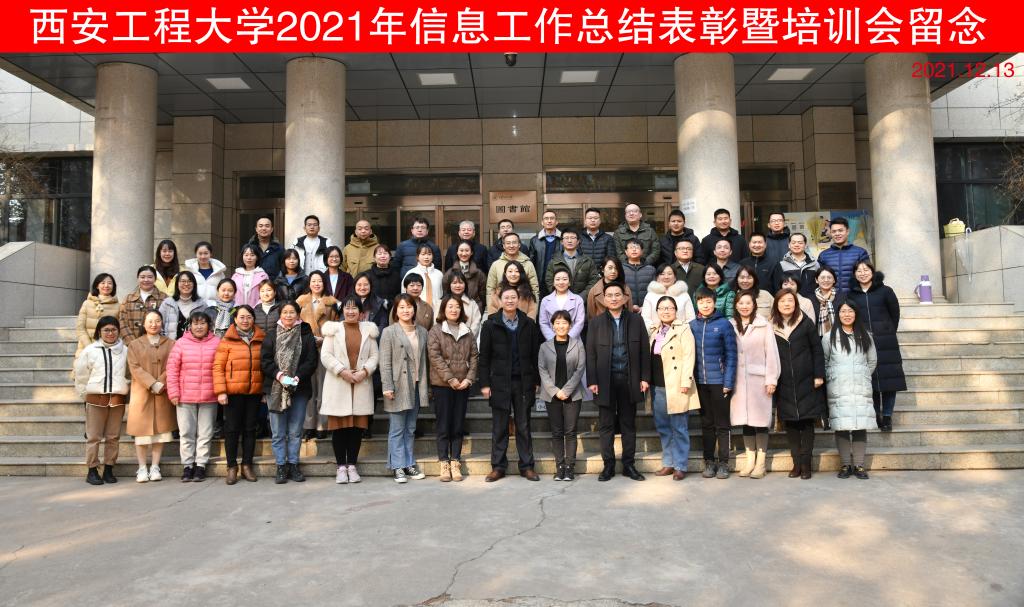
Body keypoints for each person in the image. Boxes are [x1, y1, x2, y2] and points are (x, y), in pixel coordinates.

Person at [586, 281, 651, 481]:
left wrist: (644, 377)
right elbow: (591, 353)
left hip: (630, 379)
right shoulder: (596, 323)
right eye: (609, 295)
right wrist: (592, 380)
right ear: (604, 299)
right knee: (606, 425)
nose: (613, 298)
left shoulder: (636, 320)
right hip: (605, 380)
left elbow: (644, 350)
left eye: (617, 295)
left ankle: (629, 465)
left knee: (628, 424)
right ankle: (608, 466)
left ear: (624, 298)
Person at [479, 286, 543, 482]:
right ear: (499, 300)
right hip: (499, 383)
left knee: (523, 426)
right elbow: (484, 357)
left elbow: (535, 355)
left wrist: (536, 380)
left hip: (523, 382)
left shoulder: (528, 324)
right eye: (506, 297)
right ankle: (498, 467)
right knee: (500, 427)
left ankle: (527, 466)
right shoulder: (490, 324)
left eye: (513, 297)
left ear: (518, 300)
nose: (509, 300)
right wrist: (485, 384)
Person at [321, 296, 380, 484]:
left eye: (355, 308)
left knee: (356, 429)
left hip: (360, 383)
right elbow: (325, 355)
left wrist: (364, 372)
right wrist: (342, 371)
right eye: (347, 308)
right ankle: (341, 467)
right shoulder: (333, 330)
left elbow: (374, 356)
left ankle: (352, 465)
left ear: (361, 312)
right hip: (339, 383)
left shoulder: (369, 330)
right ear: (342, 311)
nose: (351, 311)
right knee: (339, 429)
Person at [845, 261, 907, 432]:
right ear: (854, 274)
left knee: (889, 382)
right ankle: (875, 414)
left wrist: (887, 330)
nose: (863, 273)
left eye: (866, 270)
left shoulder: (886, 291)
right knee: (869, 380)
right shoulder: (851, 294)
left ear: (872, 272)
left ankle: (887, 416)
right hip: (863, 341)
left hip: (886, 341)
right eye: (859, 270)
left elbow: (895, 314)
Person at [771, 290, 826, 480]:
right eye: (782, 301)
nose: (786, 304)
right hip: (783, 382)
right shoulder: (771, 327)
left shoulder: (805, 323)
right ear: (776, 304)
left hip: (807, 380)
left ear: (795, 303)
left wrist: (819, 375)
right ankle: (796, 463)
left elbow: (817, 350)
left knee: (807, 423)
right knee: (791, 425)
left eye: (790, 300)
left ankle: (806, 464)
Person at [261, 301, 318, 484]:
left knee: (295, 430)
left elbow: (311, 360)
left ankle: (293, 464)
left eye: (292, 312)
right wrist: (279, 376)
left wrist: (297, 377)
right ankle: (280, 465)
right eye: (285, 312)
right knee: (278, 431)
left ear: (298, 314)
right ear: (280, 314)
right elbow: (265, 361)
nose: (288, 315)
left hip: (299, 388)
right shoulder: (271, 335)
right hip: (276, 388)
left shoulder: (305, 333)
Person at [823, 301, 878, 480]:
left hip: (860, 387)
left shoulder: (866, 336)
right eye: (843, 311)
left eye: (850, 311)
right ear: (838, 315)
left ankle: (859, 465)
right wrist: (834, 377)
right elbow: (824, 361)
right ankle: (846, 464)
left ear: (856, 313)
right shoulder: (829, 337)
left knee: (860, 426)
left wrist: (862, 376)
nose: (847, 315)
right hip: (838, 388)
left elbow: (872, 361)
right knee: (842, 427)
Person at [730, 290, 781, 479]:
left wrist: (771, 379)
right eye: (741, 303)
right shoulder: (731, 325)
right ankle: (749, 461)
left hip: (758, 380)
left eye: (748, 303)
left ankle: (761, 463)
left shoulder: (763, 325)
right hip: (738, 381)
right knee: (746, 422)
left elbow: (772, 353)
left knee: (760, 422)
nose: (744, 306)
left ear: (754, 305)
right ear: (736, 305)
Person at [427, 296, 479, 482]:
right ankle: (444, 462)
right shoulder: (436, 330)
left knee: (458, 425)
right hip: (442, 385)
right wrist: (450, 378)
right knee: (443, 425)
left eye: (457, 307)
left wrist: (469, 379)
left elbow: (474, 356)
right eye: (450, 306)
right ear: (443, 309)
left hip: (463, 385)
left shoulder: (467, 331)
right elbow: (435, 356)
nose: (454, 310)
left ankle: (455, 461)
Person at [379, 294, 430, 484]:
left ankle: (409, 463)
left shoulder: (422, 331)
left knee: (410, 428)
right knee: (397, 428)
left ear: (414, 310)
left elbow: (425, 361)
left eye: (409, 307)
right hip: (397, 385)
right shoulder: (389, 332)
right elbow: (384, 362)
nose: (406, 310)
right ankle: (398, 466)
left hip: (416, 385)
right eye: (401, 307)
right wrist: (387, 386)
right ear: (395, 310)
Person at [648, 296, 700, 481]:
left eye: (670, 308)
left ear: (676, 311)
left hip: (677, 385)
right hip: (657, 386)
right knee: (663, 427)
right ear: (657, 311)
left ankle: (680, 465)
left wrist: (686, 381)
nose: (666, 311)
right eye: (662, 308)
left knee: (679, 427)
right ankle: (668, 463)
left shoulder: (683, 329)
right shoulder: (654, 331)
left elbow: (689, 356)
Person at [166, 310, 221, 482]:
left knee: (205, 433)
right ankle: (188, 465)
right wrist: (173, 392)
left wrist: (220, 391)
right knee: (186, 432)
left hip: (209, 395)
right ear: (190, 326)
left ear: (209, 326)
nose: (199, 327)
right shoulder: (181, 343)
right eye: (195, 323)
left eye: (202, 323)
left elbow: (220, 368)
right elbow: (172, 370)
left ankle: (200, 465)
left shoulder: (217, 342)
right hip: (185, 396)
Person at [213, 305, 265, 485]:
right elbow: (218, 367)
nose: (245, 320)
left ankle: (247, 465)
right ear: (235, 319)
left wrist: (264, 390)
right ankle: (232, 467)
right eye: (241, 317)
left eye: (249, 317)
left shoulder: (261, 338)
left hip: (254, 392)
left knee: (250, 429)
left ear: (253, 319)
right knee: (232, 429)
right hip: (233, 392)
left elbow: (265, 366)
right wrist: (221, 391)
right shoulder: (227, 340)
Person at [73, 316, 128, 485]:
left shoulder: (125, 350)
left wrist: (126, 388)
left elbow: (130, 374)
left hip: (117, 398)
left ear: (118, 331)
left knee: (113, 436)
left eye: (114, 329)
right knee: (94, 436)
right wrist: (84, 395)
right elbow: (81, 376)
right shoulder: (90, 350)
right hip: (95, 398)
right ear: (99, 331)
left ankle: (109, 469)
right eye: (106, 330)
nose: (110, 333)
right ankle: (92, 470)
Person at [690, 287, 738, 479]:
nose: (705, 305)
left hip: (719, 382)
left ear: (714, 302)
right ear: (697, 303)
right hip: (700, 383)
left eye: (708, 301)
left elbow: (732, 355)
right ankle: (709, 461)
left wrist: (728, 382)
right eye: (701, 302)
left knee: (722, 424)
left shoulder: (724, 324)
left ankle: (724, 463)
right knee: (706, 424)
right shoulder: (692, 325)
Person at [126, 311, 175, 483]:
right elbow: (134, 367)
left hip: (162, 392)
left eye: (157, 321)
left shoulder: (171, 343)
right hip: (142, 392)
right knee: (141, 434)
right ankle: (141, 467)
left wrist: (161, 382)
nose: (154, 324)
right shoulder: (134, 344)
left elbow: (172, 365)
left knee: (160, 433)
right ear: (144, 323)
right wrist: (152, 383)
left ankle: (155, 466)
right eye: (150, 321)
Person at [538, 310, 586, 481]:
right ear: (552, 326)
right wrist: (555, 391)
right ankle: (559, 467)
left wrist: (566, 390)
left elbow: (580, 369)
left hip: (573, 395)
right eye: (557, 323)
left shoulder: (577, 345)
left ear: (570, 325)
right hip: (552, 396)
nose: (561, 326)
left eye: (564, 323)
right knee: (557, 432)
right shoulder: (544, 347)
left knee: (570, 432)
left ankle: (570, 467)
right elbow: (542, 370)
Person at [296, 270, 337, 436]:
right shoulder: (300, 302)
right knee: (308, 388)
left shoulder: (332, 303)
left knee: (323, 387)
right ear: (309, 283)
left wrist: (325, 339)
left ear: (324, 283)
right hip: (306, 350)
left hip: (325, 349)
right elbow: (295, 325)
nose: (316, 284)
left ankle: (322, 424)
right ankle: (309, 425)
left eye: (319, 281)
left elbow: (336, 326)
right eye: (313, 281)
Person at [817, 216, 870, 295]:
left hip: (855, 297)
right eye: (834, 231)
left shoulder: (860, 253)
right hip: (831, 297)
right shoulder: (823, 255)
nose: (837, 234)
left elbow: (868, 275)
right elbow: (819, 278)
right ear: (831, 233)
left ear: (847, 231)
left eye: (840, 230)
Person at [486, 232, 540, 304]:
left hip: (524, 306)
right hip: (501, 306)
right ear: (504, 246)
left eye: (514, 243)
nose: (511, 246)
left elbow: (534, 289)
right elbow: (490, 289)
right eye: (508, 243)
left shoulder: (528, 264)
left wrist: (534, 308)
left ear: (519, 245)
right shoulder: (496, 265)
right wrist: (491, 308)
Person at [118, 265, 167, 344]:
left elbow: (167, 323)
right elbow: (122, 322)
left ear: (155, 279)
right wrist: (133, 344)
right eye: (142, 277)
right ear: (138, 279)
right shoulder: (128, 298)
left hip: (157, 344)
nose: (146, 280)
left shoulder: (164, 298)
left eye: (150, 277)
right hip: (132, 345)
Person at [544, 228, 598, 296]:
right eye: (566, 238)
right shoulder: (554, 261)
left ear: (578, 241)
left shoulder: (587, 261)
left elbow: (593, 280)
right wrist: (561, 296)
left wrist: (582, 297)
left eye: (572, 238)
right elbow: (549, 281)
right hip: (561, 299)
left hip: (583, 300)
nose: (569, 241)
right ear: (562, 242)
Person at [76, 273, 119, 357]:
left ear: (113, 286)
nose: (106, 285)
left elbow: (118, 330)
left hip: (109, 350)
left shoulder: (119, 306)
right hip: (86, 349)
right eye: (103, 283)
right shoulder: (87, 303)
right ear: (97, 286)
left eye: (109, 283)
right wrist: (89, 347)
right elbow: (80, 328)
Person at [158, 271, 209, 340]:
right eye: (183, 281)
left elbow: (208, 328)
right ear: (177, 284)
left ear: (194, 284)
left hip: (195, 344)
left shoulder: (201, 305)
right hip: (171, 344)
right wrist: (166, 342)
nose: (186, 284)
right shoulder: (167, 303)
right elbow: (159, 326)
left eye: (189, 281)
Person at [642, 263, 696, 328]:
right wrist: (655, 331)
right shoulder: (650, 295)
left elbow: (691, 318)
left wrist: (681, 330)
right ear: (657, 278)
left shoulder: (684, 294)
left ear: (675, 277)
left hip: (681, 332)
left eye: (669, 274)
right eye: (662, 274)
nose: (666, 277)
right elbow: (645, 319)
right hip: (655, 332)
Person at [539, 268, 586, 341]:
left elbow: (580, 322)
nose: (561, 282)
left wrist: (568, 338)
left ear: (569, 282)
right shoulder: (545, 301)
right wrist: (554, 339)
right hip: (551, 341)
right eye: (557, 279)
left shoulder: (578, 300)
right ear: (553, 283)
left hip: (573, 341)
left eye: (564, 279)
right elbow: (543, 323)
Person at [527, 210, 563, 296]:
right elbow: (531, 262)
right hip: (541, 280)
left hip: (560, 279)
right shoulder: (534, 240)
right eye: (546, 218)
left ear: (556, 222)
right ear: (542, 222)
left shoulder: (563, 239)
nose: (549, 221)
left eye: (552, 218)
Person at [444, 240, 487, 311]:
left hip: (474, 310)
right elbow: (446, 293)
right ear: (457, 252)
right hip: (454, 310)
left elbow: (483, 294)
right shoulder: (450, 273)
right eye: (461, 250)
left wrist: (479, 309)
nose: (464, 254)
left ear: (471, 252)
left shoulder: (479, 273)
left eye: (467, 250)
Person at [774, 233, 819, 298]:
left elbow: (818, 284)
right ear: (789, 245)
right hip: (791, 301)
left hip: (811, 301)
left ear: (805, 245)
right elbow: (778, 287)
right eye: (793, 243)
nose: (796, 245)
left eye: (800, 243)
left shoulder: (815, 264)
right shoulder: (782, 265)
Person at [442, 269, 482, 338]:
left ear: (465, 284)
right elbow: (438, 324)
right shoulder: (441, 302)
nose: (458, 286)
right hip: (445, 341)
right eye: (454, 283)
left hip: (467, 341)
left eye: (461, 283)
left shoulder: (472, 304)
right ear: (449, 285)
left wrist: (465, 339)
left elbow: (476, 324)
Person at [403, 244, 444, 310]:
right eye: (423, 254)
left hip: (436, 310)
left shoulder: (439, 274)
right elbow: (404, 294)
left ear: (433, 256)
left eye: (429, 254)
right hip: (417, 310)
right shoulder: (410, 273)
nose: (426, 257)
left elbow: (441, 294)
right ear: (417, 257)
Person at [621, 239, 656, 313]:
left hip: (647, 310)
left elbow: (655, 292)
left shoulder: (651, 269)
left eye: (637, 247)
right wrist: (629, 306)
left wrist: (645, 307)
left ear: (642, 251)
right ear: (626, 252)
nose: (634, 250)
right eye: (631, 247)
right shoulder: (620, 269)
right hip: (626, 310)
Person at [247, 214, 284, 279]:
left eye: (267, 226)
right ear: (256, 229)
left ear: (272, 229)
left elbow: (284, 270)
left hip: (273, 284)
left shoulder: (279, 249)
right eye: (260, 226)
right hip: (253, 283)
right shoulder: (249, 248)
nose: (264, 228)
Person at [233, 244, 271, 308]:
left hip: (257, 311)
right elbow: (232, 294)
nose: (249, 258)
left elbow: (266, 295)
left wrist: (255, 309)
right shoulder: (236, 276)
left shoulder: (263, 276)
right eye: (246, 255)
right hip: (238, 311)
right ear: (242, 257)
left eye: (252, 255)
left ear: (257, 257)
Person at [812, 266, 839, 336]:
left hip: (838, 336)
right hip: (815, 338)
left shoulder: (842, 297)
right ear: (816, 280)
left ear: (834, 280)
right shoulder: (810, 300)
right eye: (822, 277)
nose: (826, 280)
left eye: (829, 277)